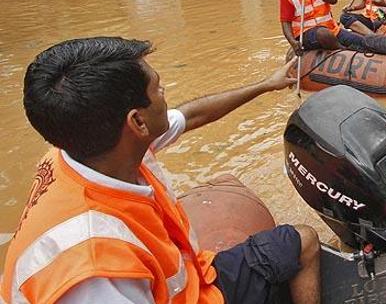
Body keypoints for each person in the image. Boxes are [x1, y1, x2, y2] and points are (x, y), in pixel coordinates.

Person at [1, 37, 321, 304]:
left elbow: (194, 115)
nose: (165, 96)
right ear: (137, 122)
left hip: (189, 281)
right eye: (159, 89)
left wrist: (266, 85)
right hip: (179, 294)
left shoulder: (83, 147)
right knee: (304, 241)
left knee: (295, 242)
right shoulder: (97, 274)